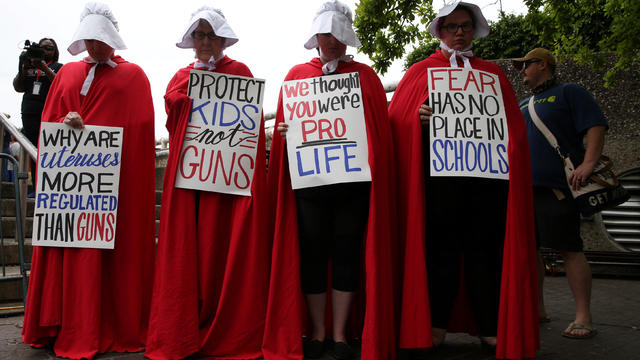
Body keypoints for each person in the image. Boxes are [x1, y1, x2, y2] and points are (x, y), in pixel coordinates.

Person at [387, 1, 538, 358]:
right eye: (451, 26)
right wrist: (417, 118)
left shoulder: (492, 75)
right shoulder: (419, 72)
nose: (459, 32)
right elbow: (395, 123)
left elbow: (514, 132)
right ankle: (434, 326)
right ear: (439, 31)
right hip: (438, 184)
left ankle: (489, 328)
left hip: (486, 184)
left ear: (475, 29)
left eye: (465, 26)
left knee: (484, 251)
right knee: (440, 250)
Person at [21, 3, 156, 359]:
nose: (95, 47)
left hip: (113, 189)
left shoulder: (134, 77)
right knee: (71, 250)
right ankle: (64, 323)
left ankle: (110, 322)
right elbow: (50, 120)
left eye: (101, 39)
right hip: (72, 187)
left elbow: (139, 133)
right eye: (89, 39)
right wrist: (66, 122)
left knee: (110, 254)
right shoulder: (65, 76)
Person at [263, 1, 396, 359]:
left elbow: (379, 131)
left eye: (338, 33)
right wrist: (285, 132)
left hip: (352, 186)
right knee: (313, 255)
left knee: (347, 254)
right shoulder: (295, 76)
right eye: (326, 33)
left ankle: (339, 336)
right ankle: (317, 333)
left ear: (347, 36)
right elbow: (283, 133)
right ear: (315, 36)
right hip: (310, 186)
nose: (332, 40)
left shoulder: (366, 77)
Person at [145, 7, 271, 359]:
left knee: (223, 249)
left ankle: (224, 321)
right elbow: (173, 119)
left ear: (221, 39)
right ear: (191, 41)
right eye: (198, 36)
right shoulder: (181, 76)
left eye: (210, 35)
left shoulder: (241, 73)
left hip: (227, 182)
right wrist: (179, 101)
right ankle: (187, 325)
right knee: (191, 250)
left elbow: (250, 128)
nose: (203, 42)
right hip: (192, 181)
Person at [514, 48, 606, 340]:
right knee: (531, 251)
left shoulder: (570, 92)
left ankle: (584, 317)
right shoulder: (524, 103)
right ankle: (538, 309)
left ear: (543, 64)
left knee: (569, 249)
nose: (522, 71)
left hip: (558, 188)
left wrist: (589, 163)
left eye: (526, 65)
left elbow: (595, 125)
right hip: (525, 190)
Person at [13, 37, 63, 180]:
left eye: (50, 48)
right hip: (29, 112)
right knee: (31, 149)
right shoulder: (29, 66)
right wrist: (24, 67)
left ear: (55, 51)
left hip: (48, 113)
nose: (46, 50)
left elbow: (60, 85)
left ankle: (43, 186)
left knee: (46, 151)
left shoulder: (58, 67)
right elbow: (18, 87)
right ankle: (34, 187)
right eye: (43, 48)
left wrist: (44, 68)